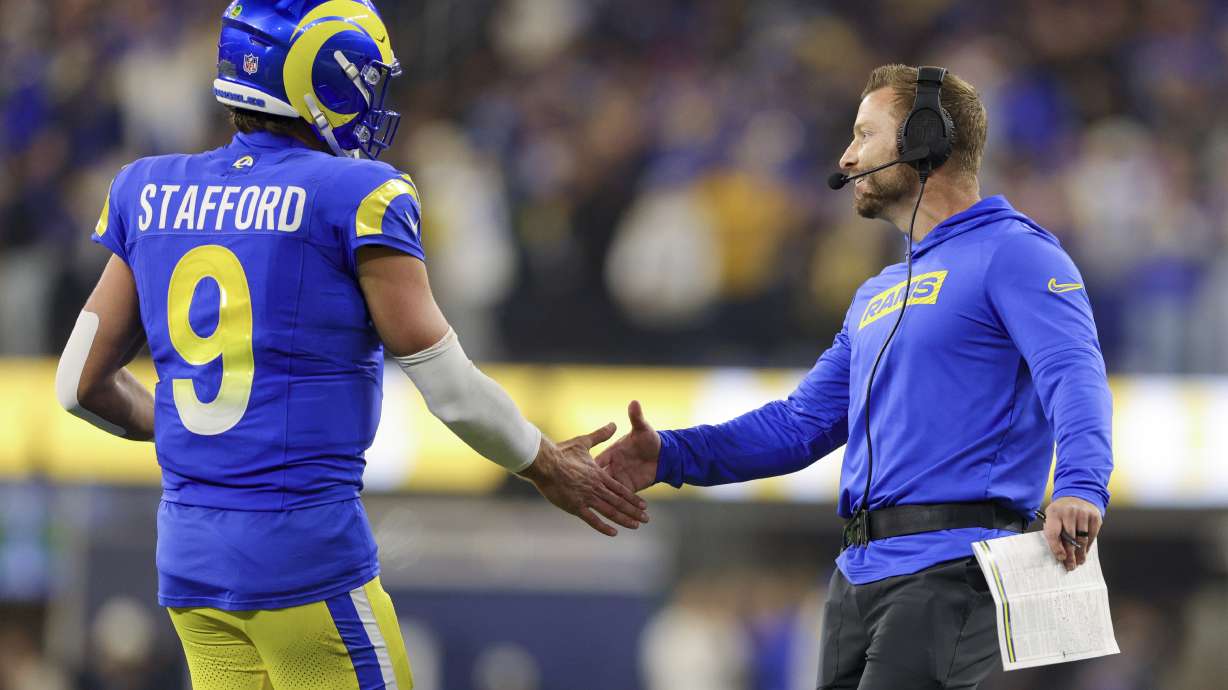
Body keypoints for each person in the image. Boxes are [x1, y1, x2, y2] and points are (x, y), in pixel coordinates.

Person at [53, 2, 647, 688]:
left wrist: (197, 431)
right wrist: (545, 463)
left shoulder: (147, 188)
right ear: (315, 77)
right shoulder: (355, 194)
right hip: (304, 558)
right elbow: (450, 390)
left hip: (189, 563)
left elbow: (79, 383)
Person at [597, 64, 1113, 689]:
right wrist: (673, 454)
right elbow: (799, 424)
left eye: (864, 134)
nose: (845, 158)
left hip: (957, 563)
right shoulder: (877, 292)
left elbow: (1074, 371)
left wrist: (1082, 484)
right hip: (856, 578)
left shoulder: (1017, 251)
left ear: (926, 138)